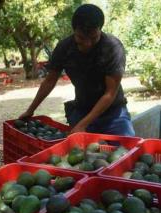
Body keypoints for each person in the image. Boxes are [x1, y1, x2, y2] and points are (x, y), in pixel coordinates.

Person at [19, 4, 135, 136]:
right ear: (74, 31)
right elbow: (49, 81)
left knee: (125, 149)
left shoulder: (113, 48)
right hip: (82, 109)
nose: (87, 44)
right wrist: (30, 110)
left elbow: (110, 93)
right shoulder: (64, 48)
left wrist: (82, 125)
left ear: (100, 30)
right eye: (81, 38)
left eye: (93, 38)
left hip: (113, 112)